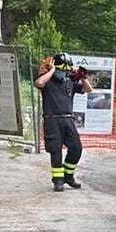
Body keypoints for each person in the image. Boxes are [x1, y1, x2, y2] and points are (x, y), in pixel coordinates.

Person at [35, 52, 89, 192]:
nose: (64, 72)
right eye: (62, 69)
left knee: (76, 148)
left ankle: (68, 176)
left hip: (68, 119)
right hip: (52, 119)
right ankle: (58, 180)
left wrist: (82, 77)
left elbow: (88, 89)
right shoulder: (47, 79)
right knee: (56, 150)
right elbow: (39, 83)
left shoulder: (70, 81)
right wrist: (52, 70)